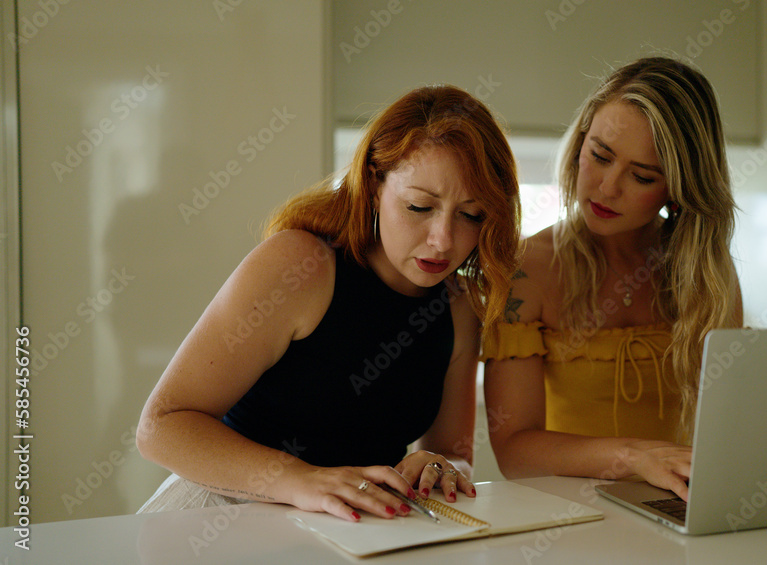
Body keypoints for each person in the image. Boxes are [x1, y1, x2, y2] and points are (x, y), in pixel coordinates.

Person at [136, 85, 521, 522]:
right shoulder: (302, 264)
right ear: (374, 183)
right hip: (224, 514)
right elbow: (161, 428)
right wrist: (299, 480)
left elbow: (453, 455)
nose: (443, 240)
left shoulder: (460, 304)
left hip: (355, 526)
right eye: (419, 206)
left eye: (471, 215)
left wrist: (437, 467)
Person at [482, 57, 742, 501]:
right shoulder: (527, 268)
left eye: (642, 176)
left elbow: (733, 426)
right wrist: (636, 458)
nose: (606, 188)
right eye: (600, 156)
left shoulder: (706, 276)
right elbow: (515, 452)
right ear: (580, 141)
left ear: (678, 188)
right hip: (572, 516)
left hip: (681, 507)